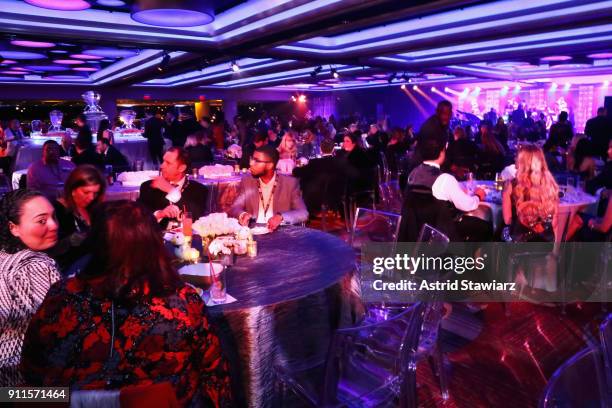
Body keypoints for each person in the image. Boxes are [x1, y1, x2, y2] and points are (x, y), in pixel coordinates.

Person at [21, 200, 232, 406]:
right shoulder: (182, 302)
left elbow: (31, 375)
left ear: (95, 244)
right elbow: (216, 377)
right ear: (153, 242)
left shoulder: (62, 297)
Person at [0, 190, 60, 386]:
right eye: (42, 221)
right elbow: (54, 330)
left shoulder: (3, 257)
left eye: (54, 217)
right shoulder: (36, 266)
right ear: (13, 227)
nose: (54, 225)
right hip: (21, 386)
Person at [399, 135, 487, 242]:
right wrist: (478, 195)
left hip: (416, 232)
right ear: (442, 152)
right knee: (485, 227)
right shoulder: (445, 179)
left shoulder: (413, 174)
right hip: (441, 234)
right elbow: (467, 205)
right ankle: (468, 256)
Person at [230, 145, 308, 230]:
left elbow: (303, 213)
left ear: (270, 165)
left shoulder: (289, 184)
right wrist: (242, 214)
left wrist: (281, 217)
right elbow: (235, 207)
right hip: (253, 233)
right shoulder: (247, 181)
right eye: (252, 159)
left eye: (256, 161)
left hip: (279, 234)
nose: (251, 163)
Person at [49, 165, 106, 272]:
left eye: (96, 193)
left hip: (92, 269)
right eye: (86, 192)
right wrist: (68, 241)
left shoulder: (93, 208)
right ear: (72, 189)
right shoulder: (56, 210)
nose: (92, 198)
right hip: (68, 272)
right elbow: (48, 251)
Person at [138, 147, 209, 228]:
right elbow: (140, 219)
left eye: (168, 163)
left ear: (181, 168)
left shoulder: (199, 189)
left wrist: (172, 191)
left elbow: (195, 217)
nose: (162, 166)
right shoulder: (149, 186)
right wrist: (160, 214)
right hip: (157, 238)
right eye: (163, 161)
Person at [502, 145, 559, 242]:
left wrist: (505, 194)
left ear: (523, 161)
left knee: (498, 233)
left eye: (517, 156)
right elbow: (555, 223)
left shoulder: (513, 184)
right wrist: (555, 253)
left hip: (519, 244)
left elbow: (507, 220)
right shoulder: (549, 185)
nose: (514, 158)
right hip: (545, 244)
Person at [292, 139, 346, 214]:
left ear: (320, 148)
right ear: (333, 149)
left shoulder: (315, 163)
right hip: (336, 196)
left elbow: (296, 172)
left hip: (316, 198)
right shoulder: (340, 163)